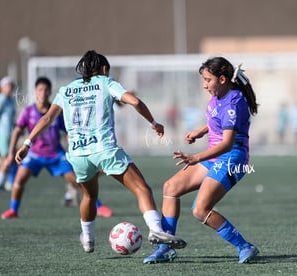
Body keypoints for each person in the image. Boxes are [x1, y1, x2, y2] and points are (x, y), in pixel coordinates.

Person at [14, 50, 186, 255]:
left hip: (77, 155)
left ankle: (87, 239)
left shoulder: (66, 90)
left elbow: (46, 119)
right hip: (104, 150)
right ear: (104, 69)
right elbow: (135, 102)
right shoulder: (106, 82)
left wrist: (26, 144)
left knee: (88, 195)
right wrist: (154, 122)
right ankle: (156, 231)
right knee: (142, 190)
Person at [143, 57, 259, 264]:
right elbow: (218, 121)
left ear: (222, 79)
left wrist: (196, 157)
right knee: (171, 187)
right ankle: (165, 248)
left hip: (232, 158)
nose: (204, 85)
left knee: (200, 209)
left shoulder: (234, 101)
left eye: (207, 80)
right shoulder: (218, 95)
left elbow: (227, 143)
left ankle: (244, 246)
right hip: (216, 156)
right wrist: (200, 131)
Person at [1, 77, 112, 219]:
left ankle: (99, 206)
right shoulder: (28, 112)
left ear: (50, 92)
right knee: (19, 179)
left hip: (56, 155)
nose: (43, 93)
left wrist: (74, 148)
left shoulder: (57, 112)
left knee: (77, 181)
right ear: (35, 92)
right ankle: (13, 210)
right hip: (35, 154)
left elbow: (68, 132)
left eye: (46, 90)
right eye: (40, 90)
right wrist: (11, 153)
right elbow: (17, 131)